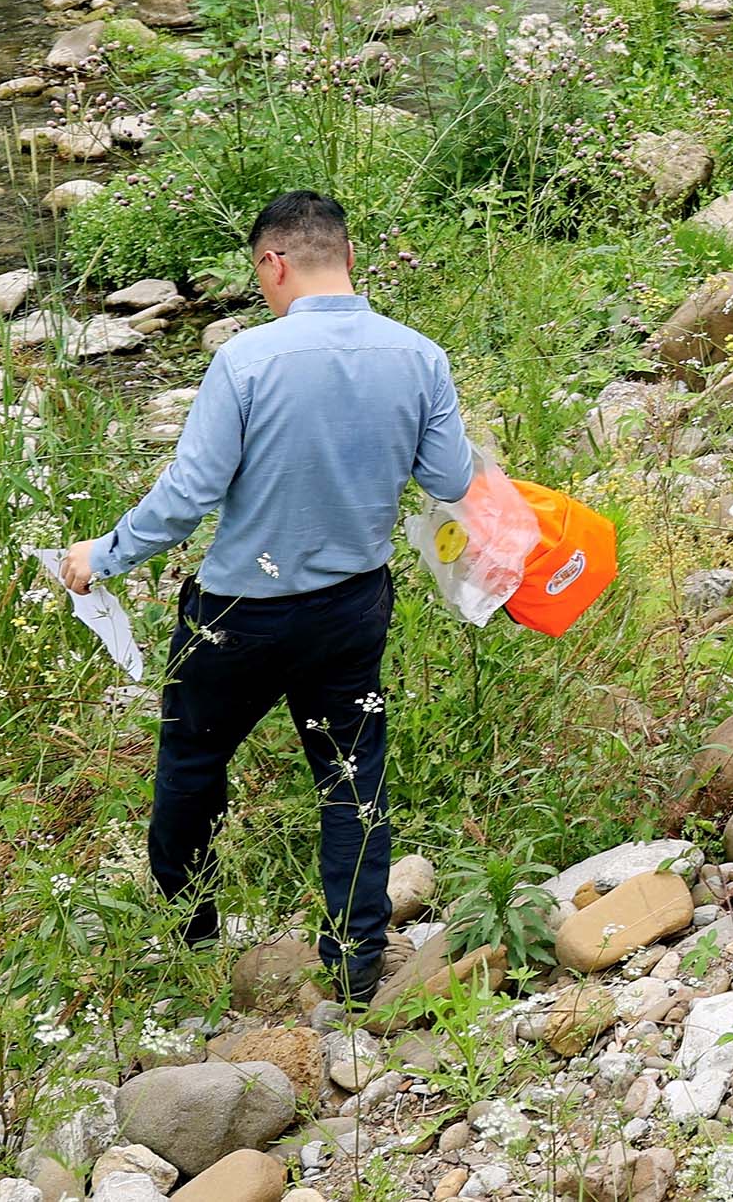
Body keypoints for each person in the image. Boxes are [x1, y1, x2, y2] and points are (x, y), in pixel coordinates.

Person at [62, 192, 482, 1001]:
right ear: (348, 257)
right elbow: (451, 481)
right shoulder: (419, 355)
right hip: (354, 602)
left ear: (273, 263)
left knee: (192, 763)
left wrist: (104, 555)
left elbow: (190, 494)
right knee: (352, 773)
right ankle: (357, 963)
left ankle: (193, 938)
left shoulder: (247, 359)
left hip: (238, 614)